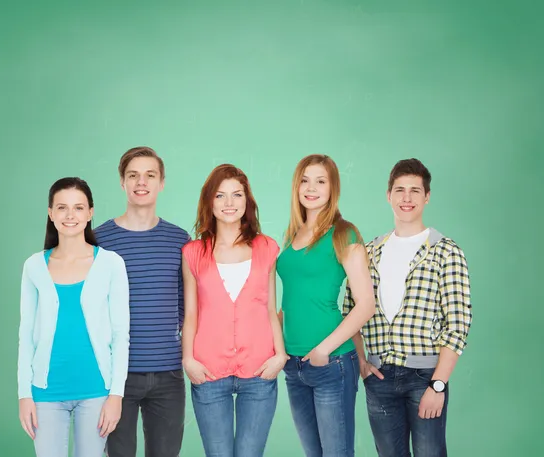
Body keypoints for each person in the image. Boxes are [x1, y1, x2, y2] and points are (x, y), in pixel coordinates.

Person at [345, 158, 472, 457]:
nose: (406, 198)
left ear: (426, 197)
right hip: (379, 377)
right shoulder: (370, 251)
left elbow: (458, 323)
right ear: (388, 195)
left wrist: (438, 385)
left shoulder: (445, 251)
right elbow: (351, 311)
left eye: (415, 190)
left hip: (424, 378)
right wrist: (362, 362)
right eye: (400, 190)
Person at [18, 177, 130, 457]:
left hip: (95, 391)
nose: (70, 216)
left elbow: (121, 335)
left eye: (79, 208)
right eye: (62, 208)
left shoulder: (111, 263)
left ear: (90, 213)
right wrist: (24, 395)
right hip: (45, 392)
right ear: (50, 213)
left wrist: (116, 395)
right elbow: (26, 335)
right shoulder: (34, 266)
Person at [181, 164, 287, 457]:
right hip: (208, 371)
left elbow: (269, 308)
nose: (229, 203)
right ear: (209, 202)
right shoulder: (193, 252)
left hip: (259, 369)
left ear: (247, 201)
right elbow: (191, 314)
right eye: (220, 196)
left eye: (236, 195)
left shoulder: (267, 248)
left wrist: (280, 355)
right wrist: (188, 359)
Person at [277, 154, 375, 457]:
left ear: (333, 188)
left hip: (331, 363)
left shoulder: (344, 233)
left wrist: (323, 350)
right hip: (293, 365)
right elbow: (292, 302)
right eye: (305, 180)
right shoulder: (292, 235)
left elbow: (366, 304)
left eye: (321, 181)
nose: (311, 187)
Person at [95, 147, 190, 457]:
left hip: (169, 376)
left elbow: (185, 307)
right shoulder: (98, 241)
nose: (141, 182)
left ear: (161, 183)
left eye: (150, 175)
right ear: (122, 182)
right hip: (115, 379)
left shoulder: (179, 239)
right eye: (133, 175)